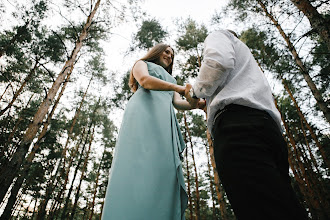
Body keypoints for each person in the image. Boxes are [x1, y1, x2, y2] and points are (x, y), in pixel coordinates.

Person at [185, 29, 308, 219]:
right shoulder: (246, 63)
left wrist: (195, 92)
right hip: (267, 129)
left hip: (238, 131)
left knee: (257, 209)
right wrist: (205, 102)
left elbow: (218, 63)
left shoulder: (219, 34)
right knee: (280, 204)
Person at [102, 43, 204, 220]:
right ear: (156, 52)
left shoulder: (171, 80)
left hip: (164, 121)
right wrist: (178, 88)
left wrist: (198, 104)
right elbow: (145, 81)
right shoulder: (141, 64)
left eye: (172, 55)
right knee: (137, 161)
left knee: (163, 169)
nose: (169, 56)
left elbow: (178, 104)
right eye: (166, 51)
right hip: (143, 112)